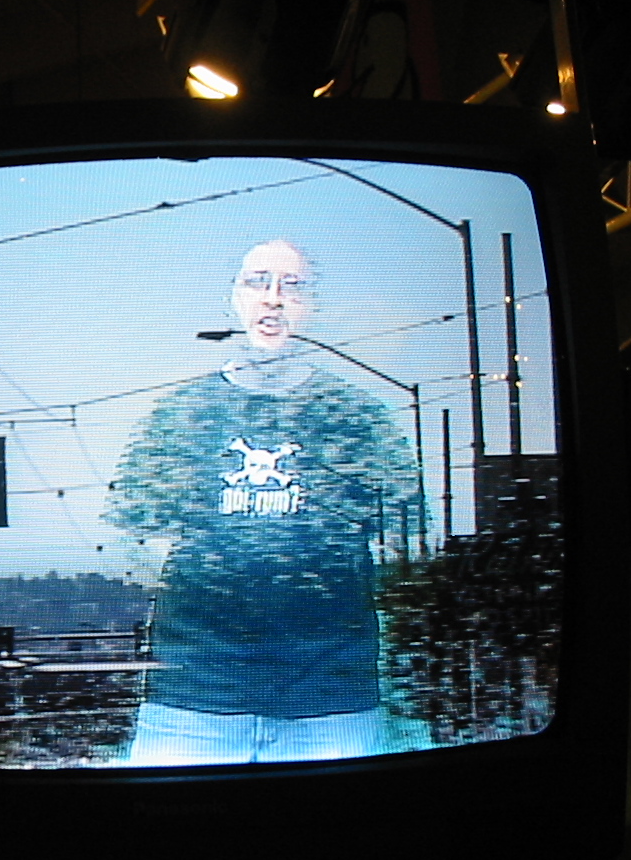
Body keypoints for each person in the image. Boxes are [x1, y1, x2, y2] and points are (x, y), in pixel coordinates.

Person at [105, 240, 420, 765]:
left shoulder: (360, 416)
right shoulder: (179, 414)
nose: (273, 297)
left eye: (292, 285)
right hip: (193, 702)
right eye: (258, 281)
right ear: (235, 297)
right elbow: (133, 547)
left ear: (313, 304)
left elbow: (403, 552)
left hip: (331, 703)